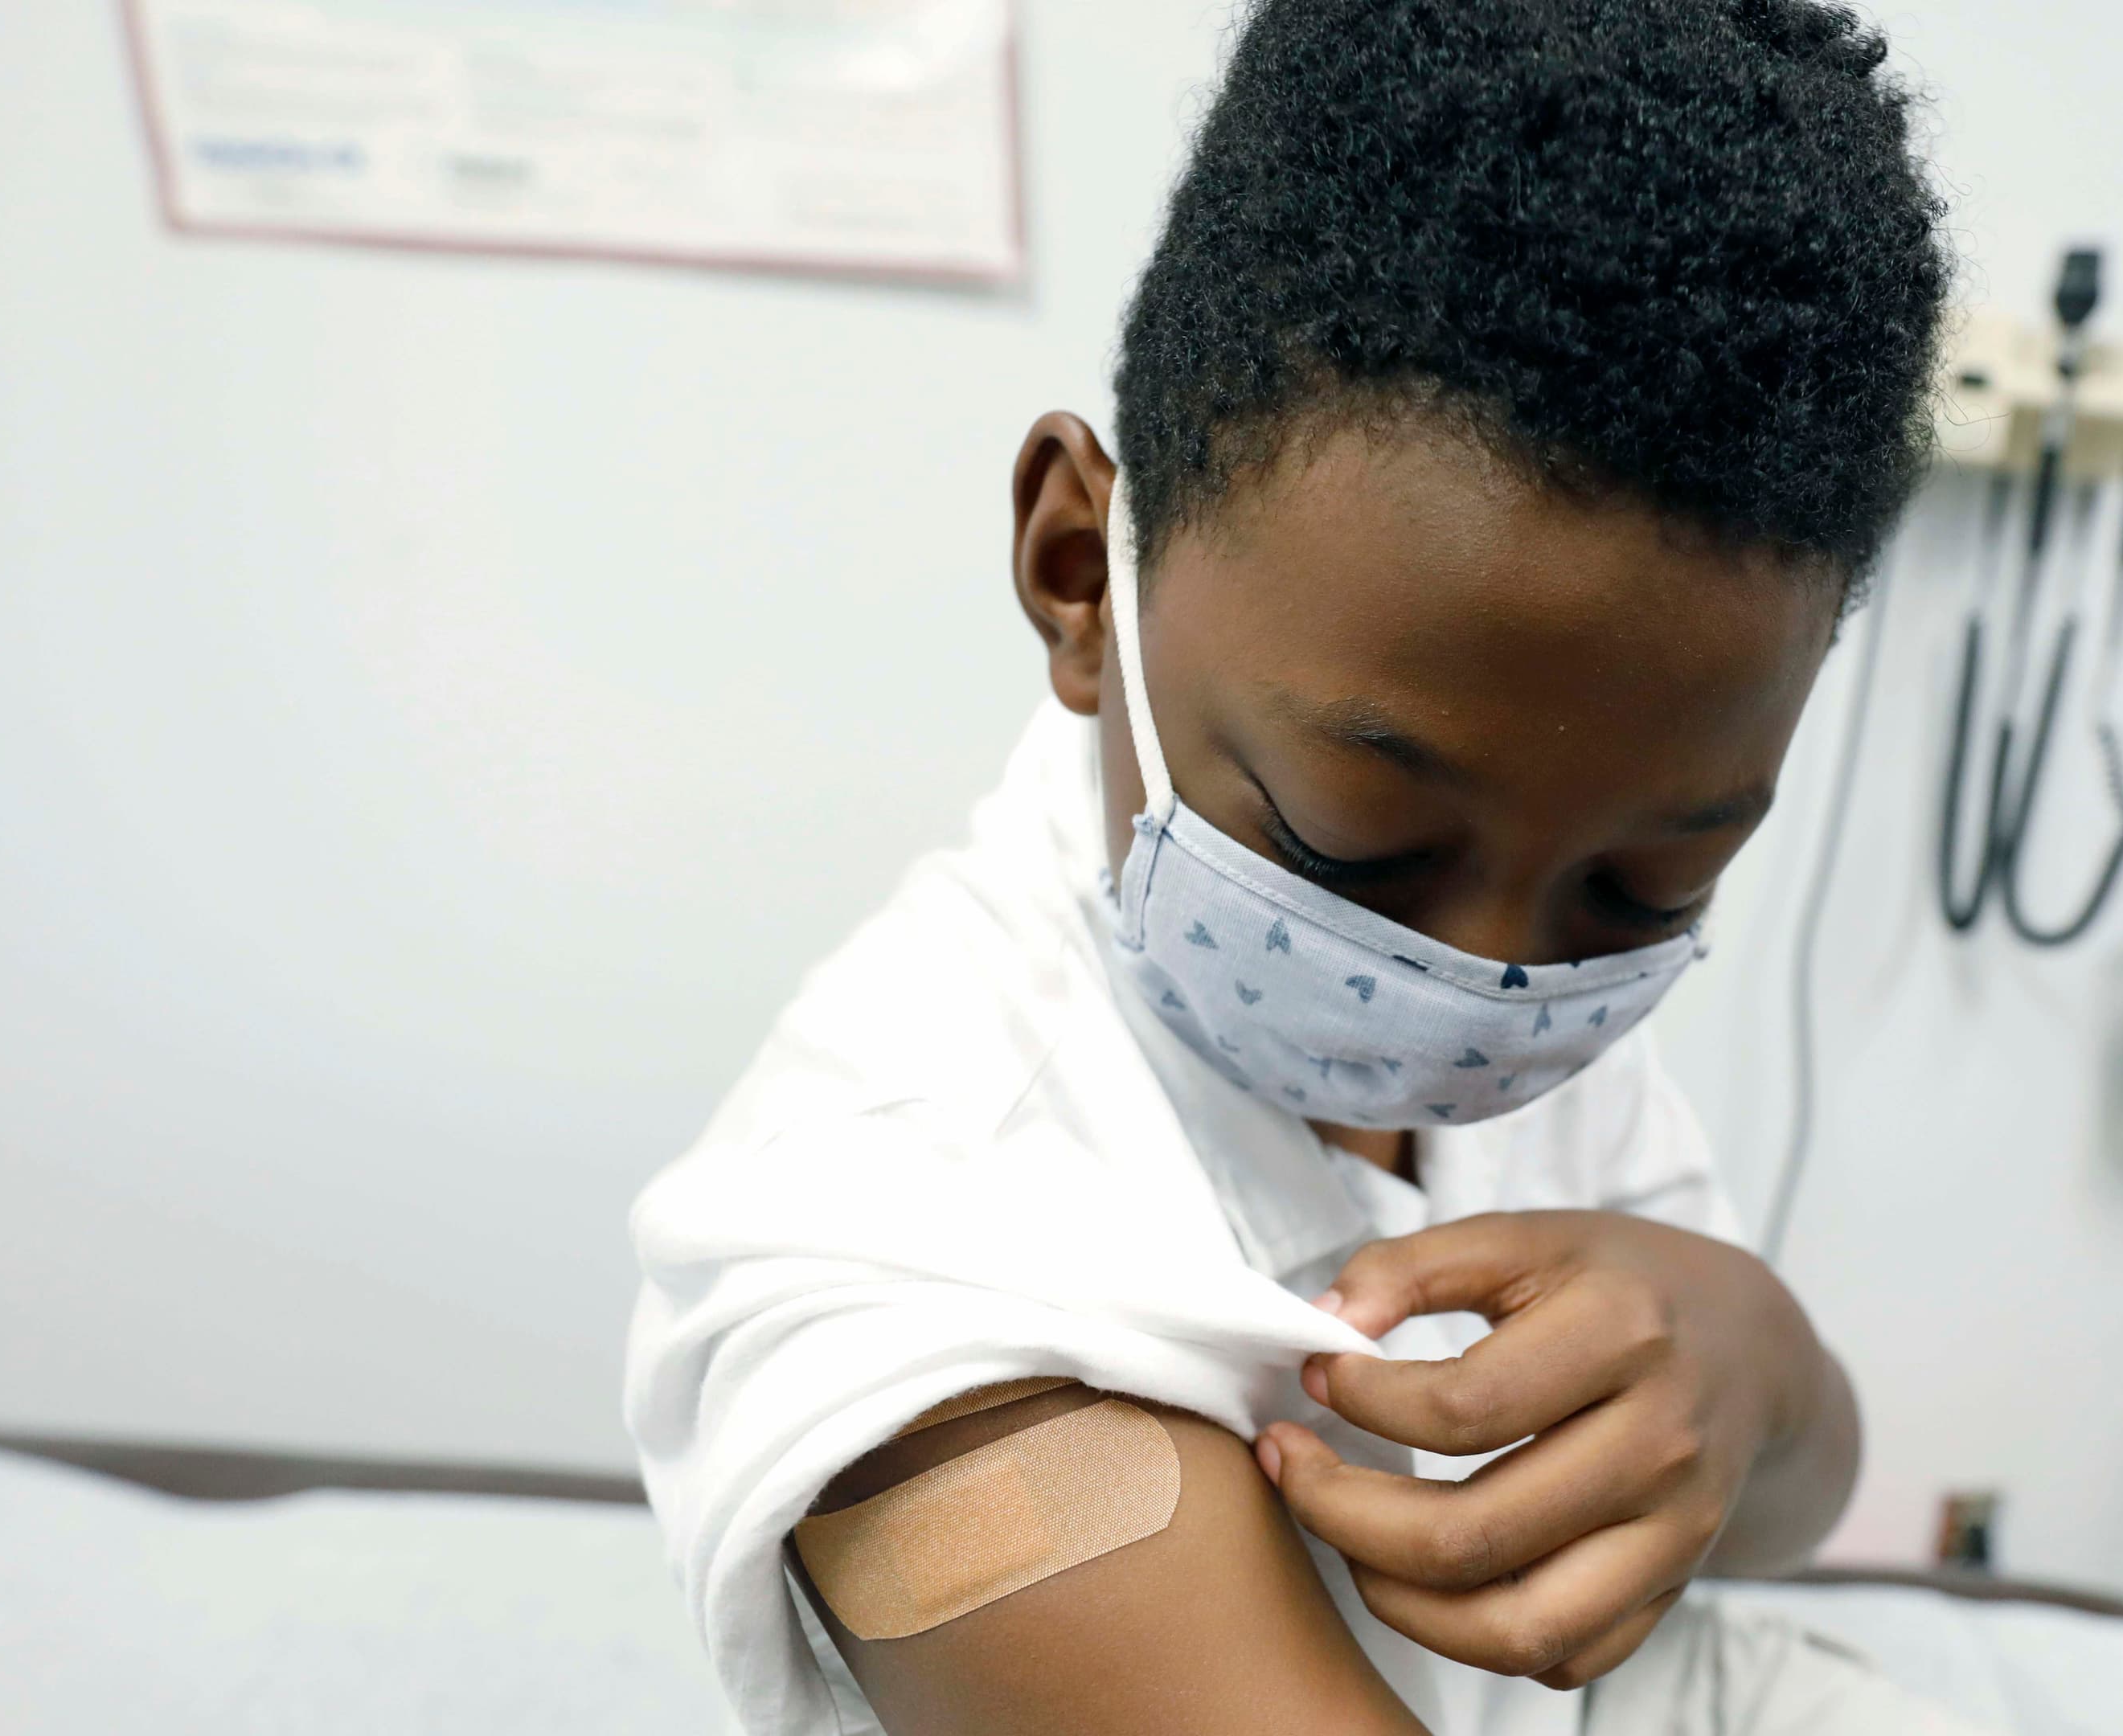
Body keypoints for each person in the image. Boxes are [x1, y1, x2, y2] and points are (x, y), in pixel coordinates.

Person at [625, 2, 1953, 1731]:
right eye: (1359, 846)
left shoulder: (1536, 953)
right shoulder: (895, 1258)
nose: (1488, 987)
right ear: (1076, 570)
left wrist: (1753, 1363)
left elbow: (1781, 1510)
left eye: (1643, 892)